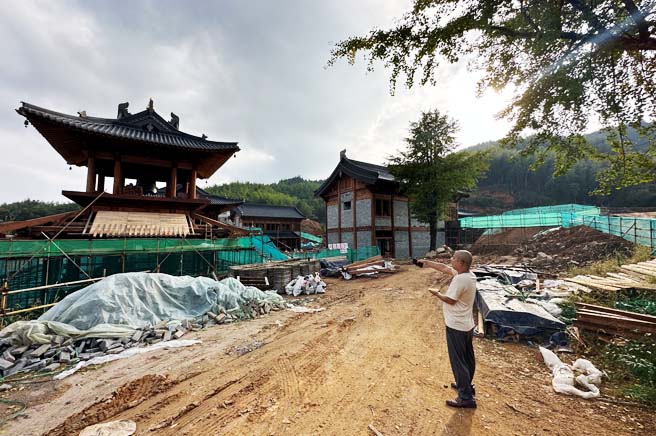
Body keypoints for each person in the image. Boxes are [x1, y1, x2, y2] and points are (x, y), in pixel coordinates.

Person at [415, 250, 477, 408]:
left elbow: (450, 300)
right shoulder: (469, 275)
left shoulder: (460, 280)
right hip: (466, 325)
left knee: (458, 362)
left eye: (454, 258)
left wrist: (437, 293)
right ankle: (466, 385)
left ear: (461, 263)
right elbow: (444, 268)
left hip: (456, 325)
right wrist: (427, 263)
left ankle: (465, 397)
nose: (451, 259)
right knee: (467, 358)